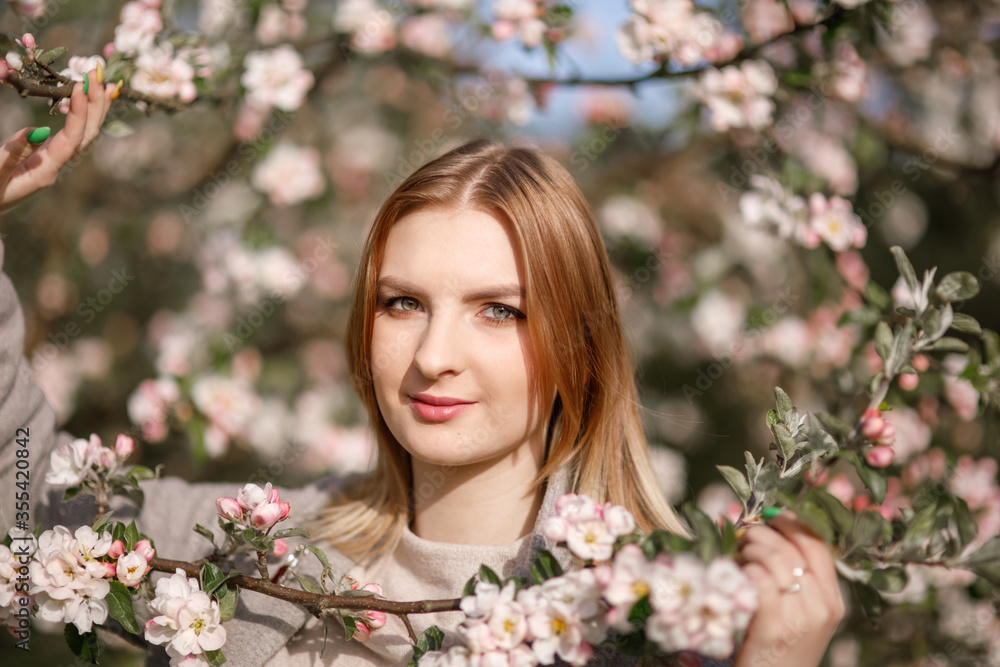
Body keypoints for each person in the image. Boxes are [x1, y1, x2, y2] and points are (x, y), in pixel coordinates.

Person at [0, 70, 845, 666]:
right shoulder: (258, 554)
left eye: (499, 310)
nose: (434, 357)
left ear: (582, 348)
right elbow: (22, 500)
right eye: (402, 303)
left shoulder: (648, 618)